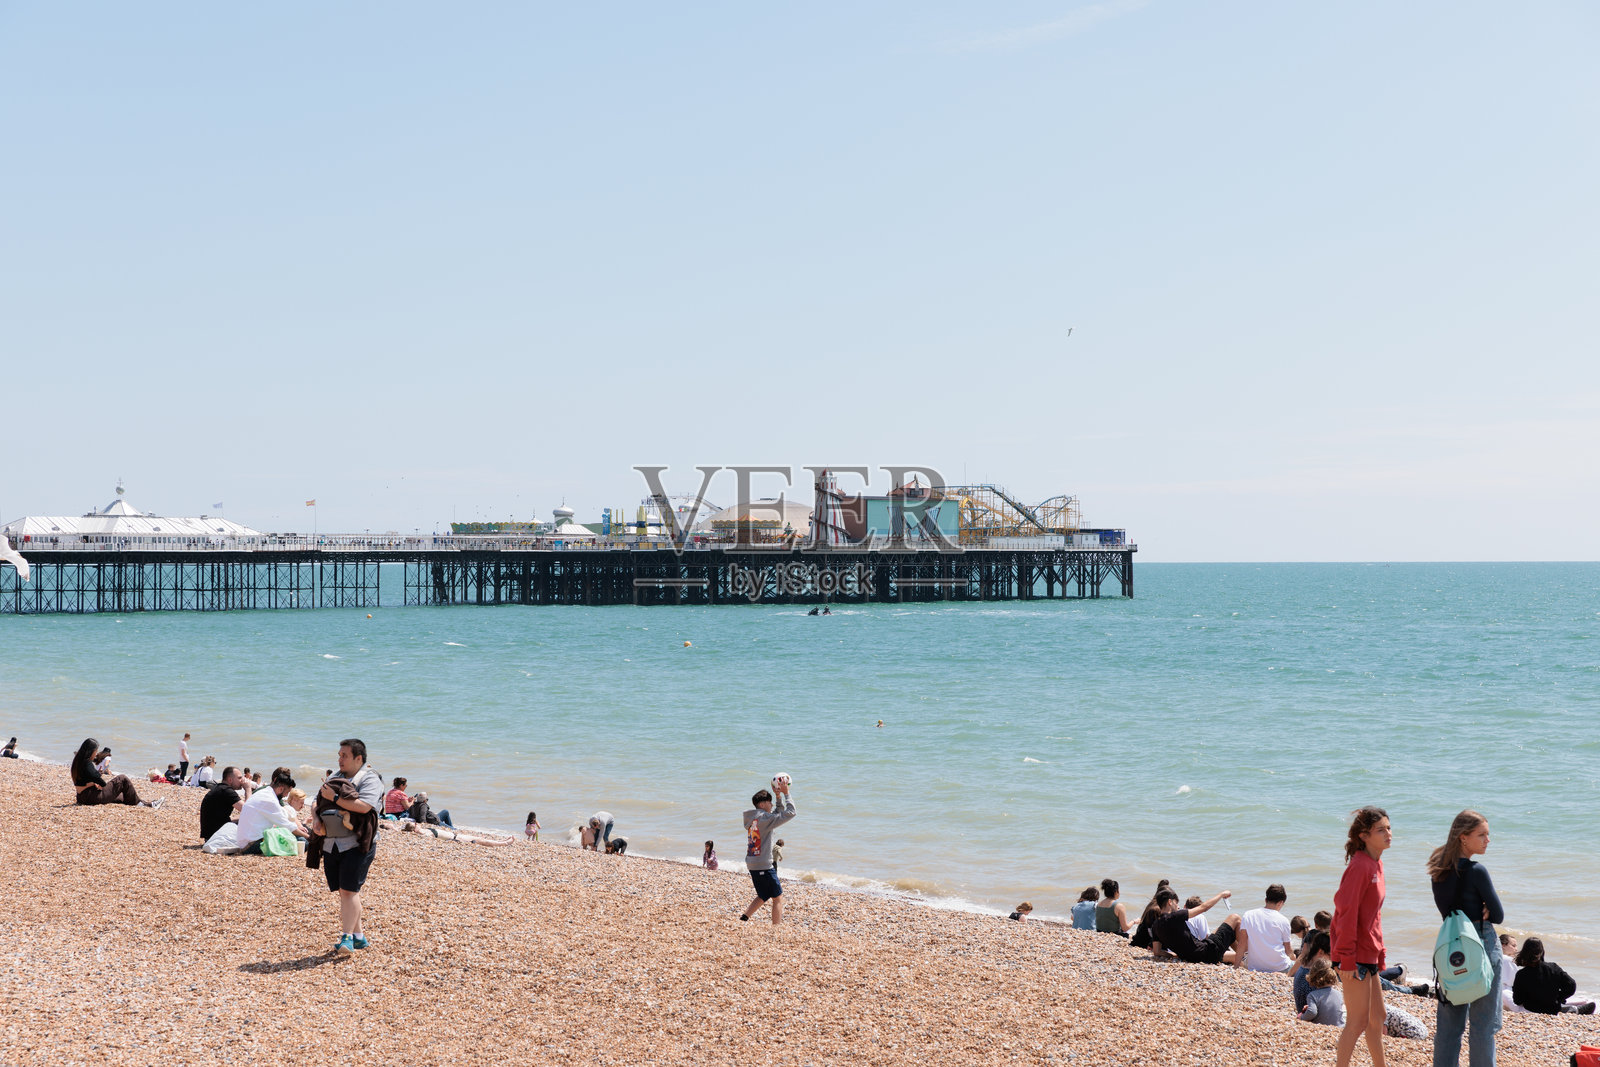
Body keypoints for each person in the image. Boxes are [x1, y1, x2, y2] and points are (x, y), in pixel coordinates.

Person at [1428, 809, 1504, 1067]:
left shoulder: (1438, 870)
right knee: (1483, 1026)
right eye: (1481, 834)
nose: (1487, 840)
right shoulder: (1477, 870)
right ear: (1463, 837)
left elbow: (1447, 910)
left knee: (1449, 1027)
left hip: (1450, 947)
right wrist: (1484, 907)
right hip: (1480, 943)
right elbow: (1498, 915)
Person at [1330, 806, 1391, 1067]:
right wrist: (1345, 959)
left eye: (1389, 828)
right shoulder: (1360, 866)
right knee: (1356, 1023)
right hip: (1353, 956)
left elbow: (1372, 916)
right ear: (1364, 835)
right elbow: (1345, 914)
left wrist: (1380, 953)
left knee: (1378, 1018)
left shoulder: (1376, 863)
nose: (1388, 833)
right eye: (1381, 830)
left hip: (1368, 953)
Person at [315, 738, 384, 956]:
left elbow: (364, 806)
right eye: (339, 755)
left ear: (358, 758)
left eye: (344, 755)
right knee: (346, 891)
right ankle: (360, 937)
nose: (339, 759)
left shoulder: (370, 779)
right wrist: (316, 818)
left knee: (348, 890)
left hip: (359, 843)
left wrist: (334, 797)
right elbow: (317, 802)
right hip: (332, 841)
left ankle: (347, 938)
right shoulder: (335, 776)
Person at [739, 779, 795, 925]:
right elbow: (790, 812)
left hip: (752, 863)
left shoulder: (755, 818)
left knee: (763, 895)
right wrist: (787, 794)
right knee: (777, 897)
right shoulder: (765, 818)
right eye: (769, 802)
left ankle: (744, 918)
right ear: (763, 804)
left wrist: (777, 797)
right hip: (764, 864)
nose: (771, 805)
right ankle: (776, 929)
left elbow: (777, 814)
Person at [1150, 888, 1247, 965]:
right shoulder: (1175, 916)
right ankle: (1249, 955)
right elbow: (1204, 907)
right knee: (1235, 918)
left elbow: (1157, 952)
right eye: (1176, 903)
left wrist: (1176, 955)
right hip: (1207, 952)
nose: (1177, 906)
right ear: (1170, 902)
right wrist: (1222, 894)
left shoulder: (1155, 925)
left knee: (1224, 931)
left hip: (1194, 956)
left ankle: (1244, 956)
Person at [1511, 937, 1596, 1014]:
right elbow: (1571, 985)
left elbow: (1517, 1000)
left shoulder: (1521, 974)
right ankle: (1574, 1009)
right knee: (1562, 1006)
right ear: (1542, 952)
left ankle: (1573, 1009)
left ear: (1524, 952)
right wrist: (1558, 998)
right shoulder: (1553, 968)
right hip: (1553, 1009)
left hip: (1531, 1009)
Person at [70, 737, 161, 808]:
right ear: (90, 751)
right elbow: (101, 782)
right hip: (91, 797)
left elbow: (83, 780)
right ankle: (143, 804)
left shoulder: (77, 761)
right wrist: (97, 779)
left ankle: (147, 804)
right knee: (122, 779)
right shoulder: (87, 763)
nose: (96, 753)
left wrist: (93, 782)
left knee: (123, 796)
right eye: (96, 751)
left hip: (82, 797)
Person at [237, 767, 309, 854]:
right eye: (287, 792)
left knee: (296, 838)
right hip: (251, 845)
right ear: (281, 789)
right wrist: (309, 837)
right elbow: (288, 826)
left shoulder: (264, 793)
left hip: (246, 842)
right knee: (303, 841)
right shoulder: (270, 800)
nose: (286, 796)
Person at [1241, 884, 1296, 973]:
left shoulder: (1248, 915)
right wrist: (1294, 959)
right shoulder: (1283, 920)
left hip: (1254, 967)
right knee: (1297, 963)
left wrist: (1236, 967)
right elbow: (1288, 951)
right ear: (1280, 903)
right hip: (1280, 968)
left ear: (1266, 900)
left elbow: (1242, 944)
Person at [200, 766, 247, 842]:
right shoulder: (227, 791)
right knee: (250, 821)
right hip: (217, 837)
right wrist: (248, 789)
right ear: (230, 779)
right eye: (239, 778)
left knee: (242, 818)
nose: (241, 781)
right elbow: (248, 810)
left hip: (210, 835)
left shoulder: (219, 788)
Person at [1294, 931, 1334, 1013]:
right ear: (1320, 952)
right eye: (1330, 955)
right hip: (1313, 1016)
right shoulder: (1315, 975)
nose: (1332, 959)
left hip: (1305, 1013)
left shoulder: (1303, 967)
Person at [1300, 959, 1348, 1026]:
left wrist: (1301, 1017)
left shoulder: (1312, 995)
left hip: (1323, 1026)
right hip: (1340, 1027)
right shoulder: (1339, 994)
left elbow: (1312, 1012)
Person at [401, 822, 515, 847]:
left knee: (480, 839)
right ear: (415, 829)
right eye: (415, 824)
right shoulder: (425, 834)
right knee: (481, 840)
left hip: (455, 835)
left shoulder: (425, 831)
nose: (417, 824)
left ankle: (502, 842)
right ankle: (504, 843)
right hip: (457, 838)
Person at [1131, 879, 1171, 949]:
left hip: (1139, 940)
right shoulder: (1157, 909)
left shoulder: (1152, 903)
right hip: (1144, 943)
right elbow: (1154, 931)